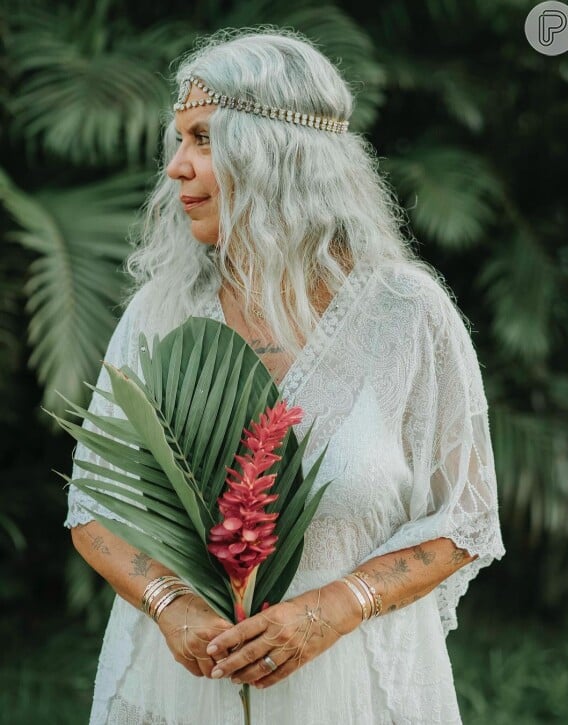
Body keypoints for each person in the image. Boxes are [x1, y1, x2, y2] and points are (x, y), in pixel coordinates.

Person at [66, 28, 505, 724]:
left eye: (204, 139)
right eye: (178, 140)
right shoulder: (161, 313)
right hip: (184, 689)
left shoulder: (406, 315)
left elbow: (467, 519)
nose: (176, 167)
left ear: (277, 154)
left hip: (356, 690)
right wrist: (170, 604)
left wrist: (334, 607)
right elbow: (93, 508)